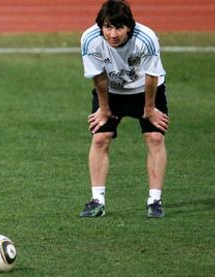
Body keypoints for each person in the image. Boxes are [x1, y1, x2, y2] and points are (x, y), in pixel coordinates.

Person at [79, 0, 169, 218]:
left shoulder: (146, 38)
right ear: (101, 26)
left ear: (129, 26)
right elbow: (98, 75)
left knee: (155, 138)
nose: (113, 34)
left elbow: (151, 75)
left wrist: (149, 108)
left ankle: (155, 200)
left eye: (119, 27)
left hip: (145, 89)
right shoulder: (90, 39)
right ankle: (97, 200)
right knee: (100, 138)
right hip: (111, 91)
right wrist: (103, 108)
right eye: (108, 27)